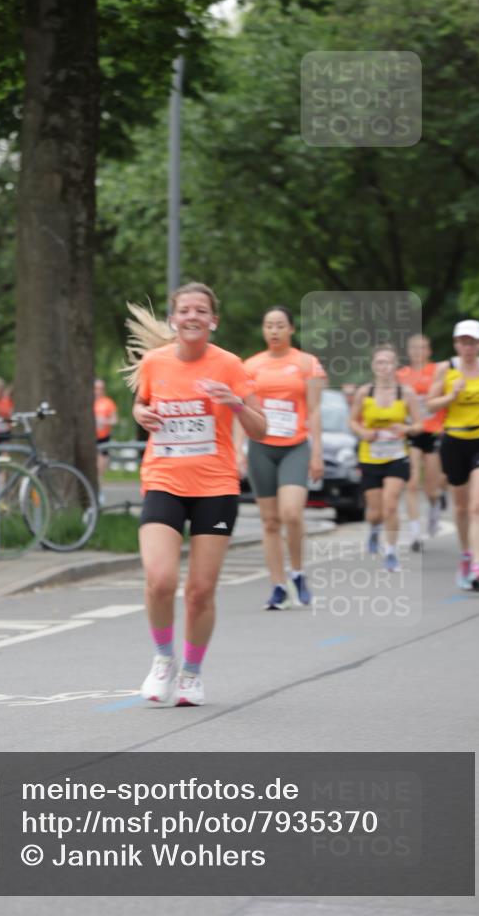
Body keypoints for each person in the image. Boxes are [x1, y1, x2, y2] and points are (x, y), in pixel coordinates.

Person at [124, 283, 266, 707]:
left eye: (200, 310)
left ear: (212, 321)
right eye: (184, 310)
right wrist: (141, 414)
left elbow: (263, 429)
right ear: (173, 319)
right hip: (164, 480)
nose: (192, 316)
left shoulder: (230, 365)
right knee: (160, 579)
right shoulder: (154, 362)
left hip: (216, 487)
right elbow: (140, 404)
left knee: (201, 590)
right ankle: (164, 659)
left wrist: (237, 403)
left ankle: (191, 672)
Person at [235, 306, 326, 610]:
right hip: (261, 447)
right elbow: (240, 411)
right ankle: (277, 586)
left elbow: (314, 410)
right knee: (270, 521)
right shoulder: (250, 366)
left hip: (295, 446)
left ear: (291, 330)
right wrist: (238, 451)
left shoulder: (307, 363)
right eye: (268, 325)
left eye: (279, 325)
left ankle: (298, 572)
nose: (273, 331)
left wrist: (317, 453)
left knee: (291, 514)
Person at [427, 320, 479, 591]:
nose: (468, 347)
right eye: (463, 342)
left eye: (473, 342)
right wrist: (450, 397)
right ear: (457, 344)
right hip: (454, 440)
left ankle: (478, 566)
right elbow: (430, 405)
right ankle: (466, 554)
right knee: (462, 506)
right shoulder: (447, 369)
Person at [350, 344, 422, 572]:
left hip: (397, 456)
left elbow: (420, 425)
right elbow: (352, 421)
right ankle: (374, 529)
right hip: (370, 456)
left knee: (390, 505)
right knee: (375, 512)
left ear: (396, 366)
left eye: (389, 362)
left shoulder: (406, 393)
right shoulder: (364, 392)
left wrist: (406, 428)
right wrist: (363, 433)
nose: (384, 367)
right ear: (373, 365)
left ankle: (390, 553)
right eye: (380, 362)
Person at [397, 335, 445, 550]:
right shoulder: (401, 375)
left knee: (431, 487)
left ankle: (435, 506)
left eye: (422, 347)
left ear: (429, 350)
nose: (418, 351)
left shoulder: (438, 371)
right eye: (413, 347)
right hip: (411, 431)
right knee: (412, 482)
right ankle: (416, 533)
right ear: (408, 351)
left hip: (434, 430)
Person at [94, 378, 118, 502]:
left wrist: (104, 421)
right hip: (92, 439)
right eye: (96, 388)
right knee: (94, 469)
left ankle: (99, 494)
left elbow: (114, 420)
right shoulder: (89, 402)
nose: (98, 391)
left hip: (104, 439)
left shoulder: (108, 403)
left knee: (100, 469)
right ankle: (96, 493)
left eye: (101, 388)